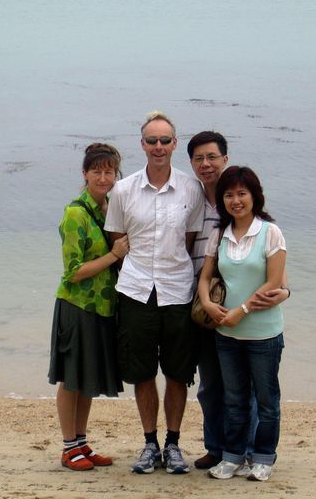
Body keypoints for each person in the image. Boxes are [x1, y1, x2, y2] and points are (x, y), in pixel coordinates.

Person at [105, 111, 204, 475]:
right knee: (143, 372)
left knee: (178, 373)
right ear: (142, 144)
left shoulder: (190, 189)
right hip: (135, 290)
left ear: (175, 144)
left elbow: (189, 240)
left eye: (165, 140)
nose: (158, 147)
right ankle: (150, 443)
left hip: (177, 290)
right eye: (152, 141)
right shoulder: (123, 190)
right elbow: (117, 239)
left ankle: (174, 443)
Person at [187, 132, 290, 471]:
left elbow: (276, 280)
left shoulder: (267, 230)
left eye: (212, 156)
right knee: (219, 392)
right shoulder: (191, 203)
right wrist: (209, 304)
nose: (206, 164)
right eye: (199, 158)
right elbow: (203, 270)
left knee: (261, 397)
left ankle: (255, 455)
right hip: (214, 320)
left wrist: (245, 308)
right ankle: (223, 452)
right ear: (191, 163)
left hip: (254, 326)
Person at [48, 143, 129, 471]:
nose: (103, 176)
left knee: (87, 378)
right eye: (96, 170)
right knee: (71, 379)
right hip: (77, 305)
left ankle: (81, 442)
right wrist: (113, 255)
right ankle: (69, 448)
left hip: (103, 307)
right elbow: (73, 272)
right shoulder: (75, 213)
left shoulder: (110, 207)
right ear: (85, 174)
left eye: (109, 171)